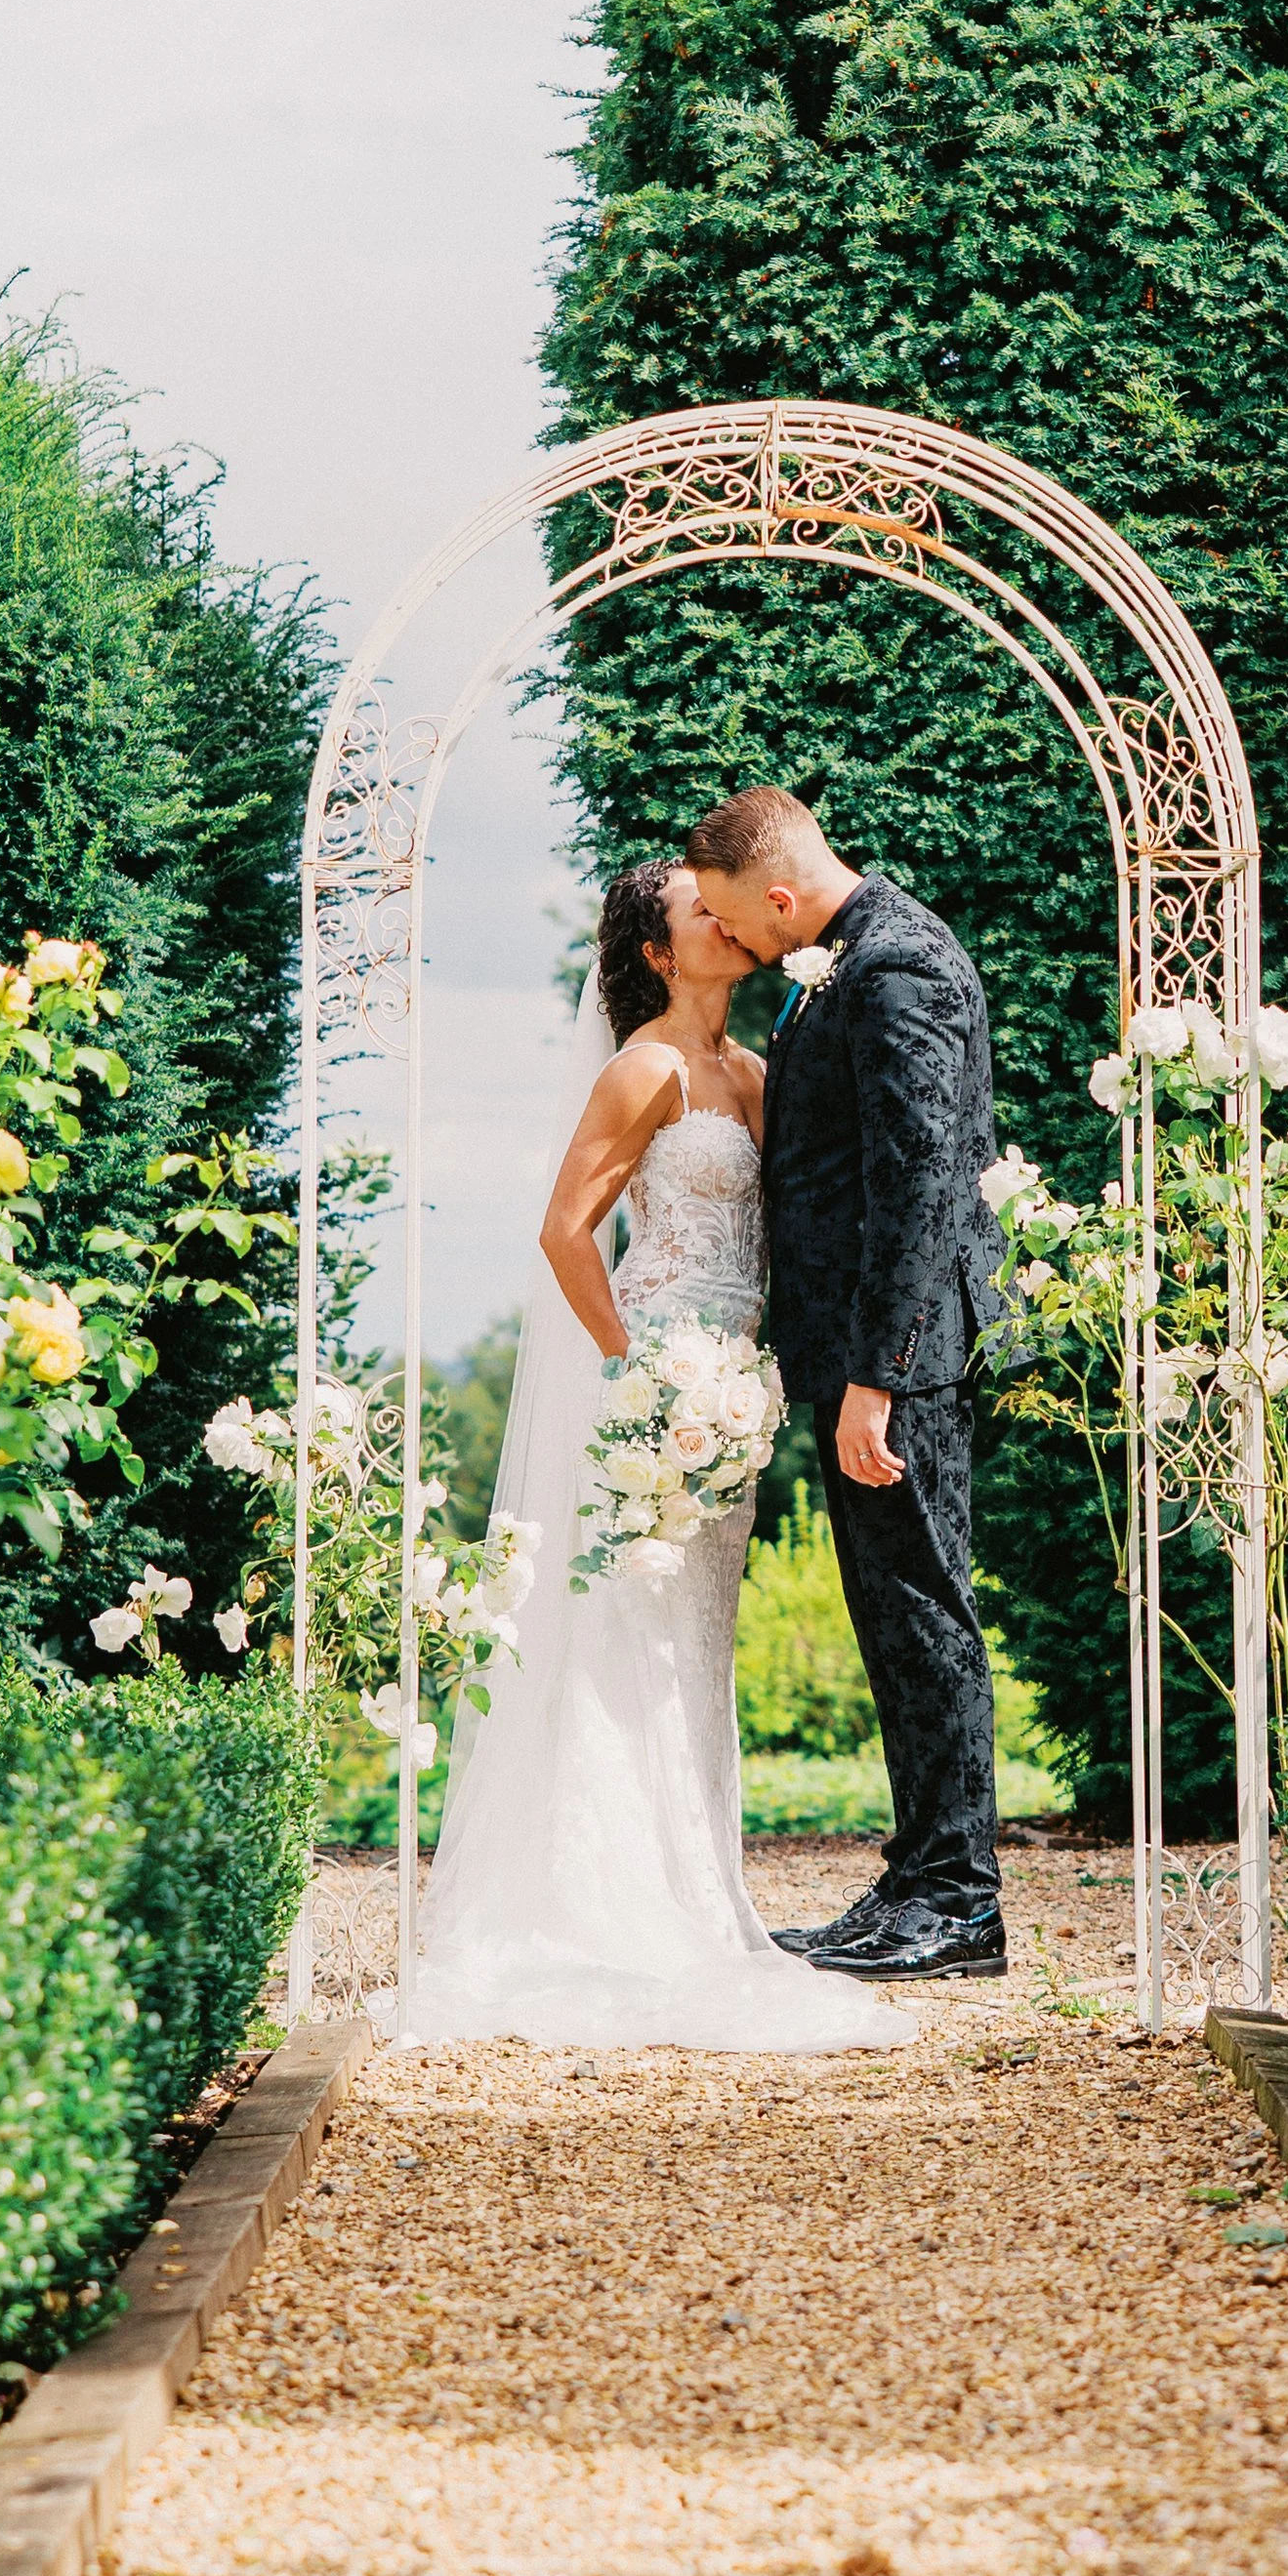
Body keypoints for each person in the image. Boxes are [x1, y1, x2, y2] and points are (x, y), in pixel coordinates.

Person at [398, 856, 917, 2050]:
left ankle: (697, 1883)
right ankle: (602, 1898)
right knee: (624, 1624)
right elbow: (564, 1230)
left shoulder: (754, 1068)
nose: (726, 924)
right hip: (654, 1388)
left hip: (730, 1386)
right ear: (655, 952)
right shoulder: (645, 1069)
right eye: (699, 914)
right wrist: (634, 1365)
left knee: (696, 1635)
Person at [685, 786, 1007, 1981]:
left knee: (925, 1613)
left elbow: (924, 1187)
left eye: (739, 921)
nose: (745, 945)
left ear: (779, 896)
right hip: (867, 1355)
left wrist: (881, 1374)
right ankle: (918, 1876)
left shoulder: (893, 970)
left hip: (898, 1360)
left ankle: (958, 1902)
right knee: (895, 1616)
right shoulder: (852, 961)